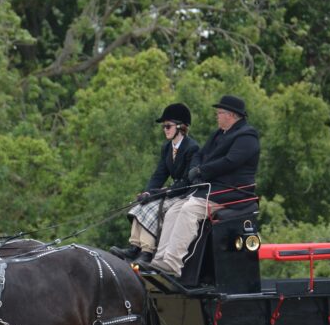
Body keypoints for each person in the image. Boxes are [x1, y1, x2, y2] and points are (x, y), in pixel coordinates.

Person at [150, 95, 260, 277]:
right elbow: (200, 154)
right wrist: (195, 168)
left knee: (189, 209)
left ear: (231, 115)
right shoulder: (218, 134)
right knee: (174, 210)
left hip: (233, 192)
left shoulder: (247, 136)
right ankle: (160, 259)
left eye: (219, 113)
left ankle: (173, 262)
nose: (216, 116)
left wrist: (202, 171)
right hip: (212, 188)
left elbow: (230, 161)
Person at [110, 103, 200, 266]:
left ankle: (147, 251)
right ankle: (134, 247)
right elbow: (159, 174)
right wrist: (147, 193)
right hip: (172, 191)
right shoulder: (167, 147)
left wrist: (166, 191)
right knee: (141, 206)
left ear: (180, 127)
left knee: (151, 210)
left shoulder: (192, 148)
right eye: (163, 127)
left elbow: (188, 180)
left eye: (168, 126)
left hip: (185, 193)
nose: (165, 129)